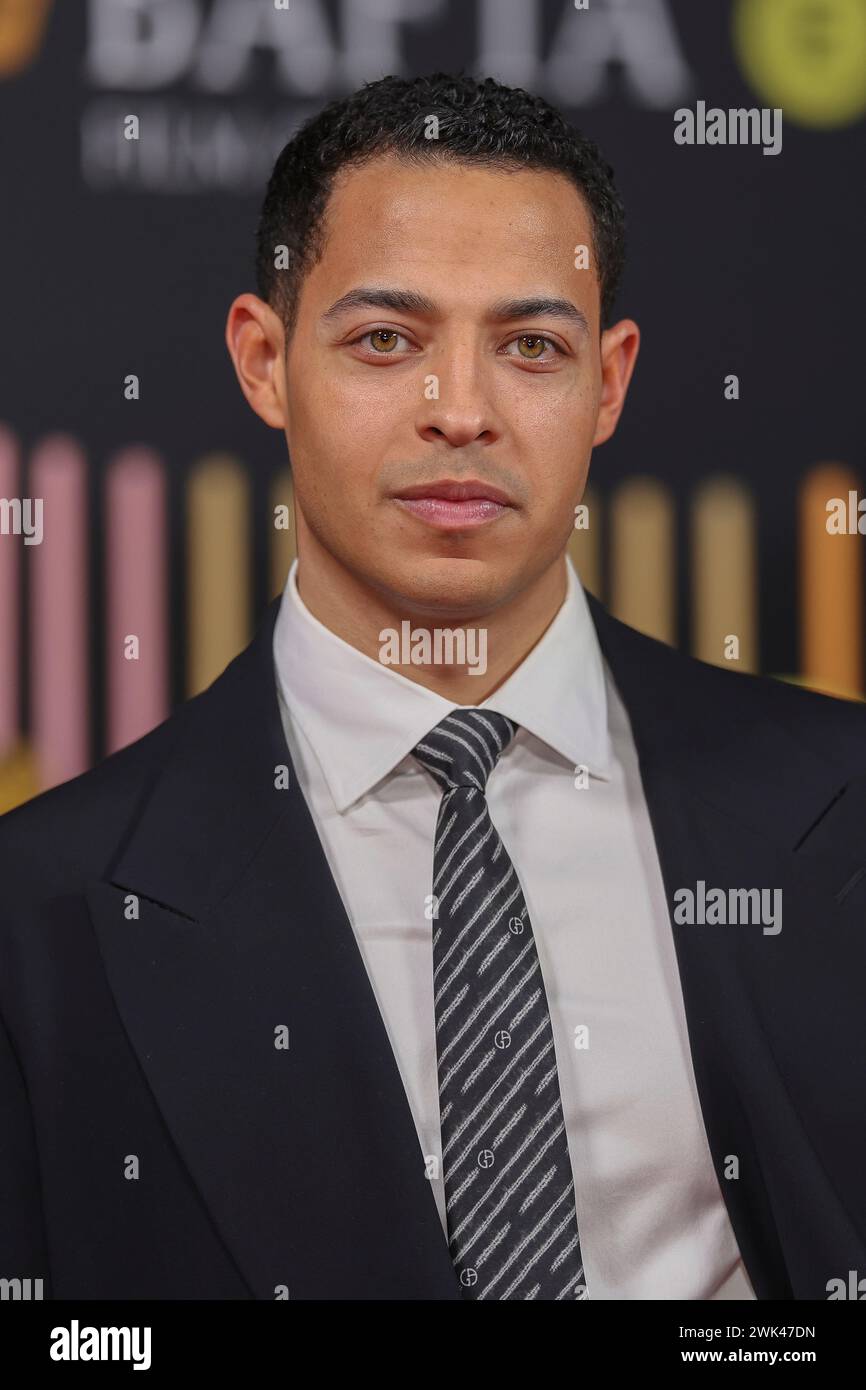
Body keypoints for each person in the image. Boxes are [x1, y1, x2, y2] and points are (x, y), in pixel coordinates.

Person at [2, 73, 865, 1303]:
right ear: (263, 359)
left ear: (607, 383)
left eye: (529, 346)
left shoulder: (843, 807)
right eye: (384, 341)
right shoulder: (42, 919)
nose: (459, 412)